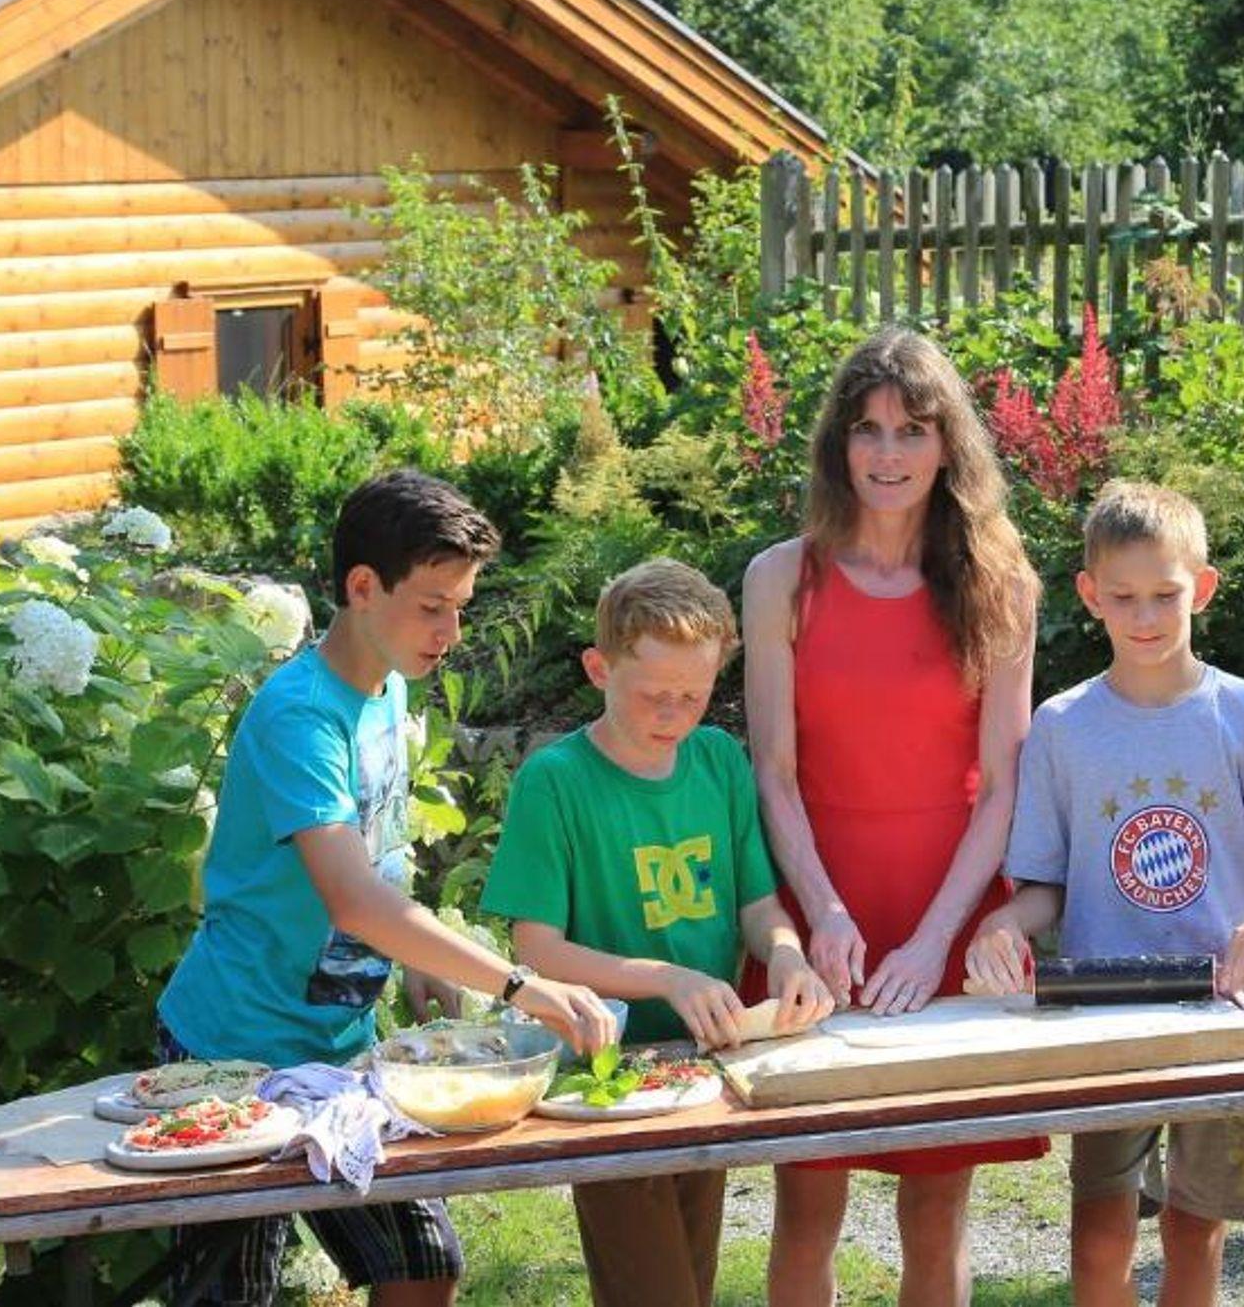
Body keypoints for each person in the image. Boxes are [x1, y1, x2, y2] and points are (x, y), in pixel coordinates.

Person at [157, 469, 616, 1307]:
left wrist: (419, 962)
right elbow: (354, 901)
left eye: (461, 607)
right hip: (232, 1050)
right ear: (363, 588)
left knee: (421, 1267)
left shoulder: (387, 685)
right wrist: (519, 984)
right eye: (433, 605)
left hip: (341, 1050)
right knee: (234, 1295)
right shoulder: (302, 716)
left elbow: (381, 856)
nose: (452, 631)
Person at [966, 479, 1244, 1307]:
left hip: (1226, 1013)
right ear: (1089, 595)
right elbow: (1044, 889)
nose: (1144, 617)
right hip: (1103, 1017)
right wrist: (1004, 923)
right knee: (1098, 1237)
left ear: (1203, 589)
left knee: (1195, 1230)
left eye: (1165, 595)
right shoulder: (1062, 726)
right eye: (1123, 597)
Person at [743, 326, 1049, 1307]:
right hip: (817, 904)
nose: (886, 453)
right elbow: (774, 772)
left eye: (911, 430)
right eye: (867, 429)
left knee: (936, 1204)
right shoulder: (778, 578)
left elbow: (1000, 785)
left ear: (946, 444)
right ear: (837, 443)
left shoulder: (1002, 582)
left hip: (946, 905)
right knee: (806, 1199)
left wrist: (934, 941)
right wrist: (824, 913)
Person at [482, 557, 834, 1307]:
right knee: (652, 1289)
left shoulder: (718, 760)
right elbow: (537, 950)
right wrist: (667, 979)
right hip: (603, 1076)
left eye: (693, 695)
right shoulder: (555, 781)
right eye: (652, 694)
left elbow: (758, 907)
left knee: (691, 1281)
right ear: (598, 669)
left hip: (707, 1064)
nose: (674, 712)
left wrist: (787, 956)